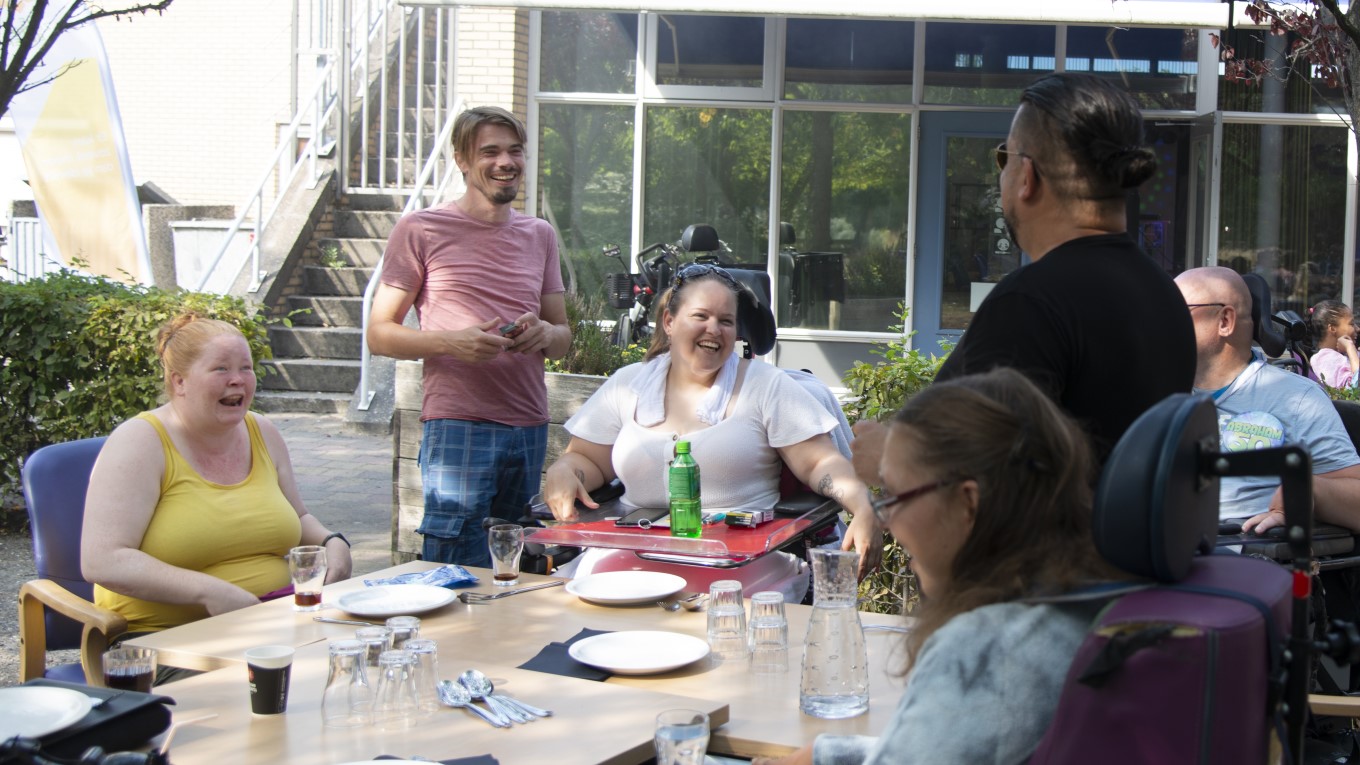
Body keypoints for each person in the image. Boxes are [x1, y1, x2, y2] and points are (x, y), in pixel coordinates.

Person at [756, 368, 1117, 765]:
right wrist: (825, 755)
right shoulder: (1082, 603)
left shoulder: (984, 650)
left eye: (895, 495)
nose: (887, 519)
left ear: (968, 503)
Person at [856, 73, 1196, 474]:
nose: (1001, 175)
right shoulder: (1165, 295)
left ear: (1027, 176)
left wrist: (888, 456)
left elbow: (985, 486)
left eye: (1004, 158)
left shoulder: (1029, 303)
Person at [542, 263, 882, 577]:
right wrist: (565, 470)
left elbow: (821, 463)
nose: (713, 329)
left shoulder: (766, 386)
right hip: (630, 558)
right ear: (669, 322)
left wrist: (862, 507)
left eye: (726, 321)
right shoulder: (627, 385)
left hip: (737, 563)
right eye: (700, 316)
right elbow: (586, 458)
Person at [367, 105, 572, 566]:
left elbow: (563, 337)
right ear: (462, 159)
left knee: (515, 563)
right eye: (490, 151)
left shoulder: (539, 234)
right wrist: (449, 342)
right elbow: (379, 334)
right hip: (460, 422)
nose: (506, 162)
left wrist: (543, 333)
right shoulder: (420, 229)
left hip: (529, 424)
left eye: (515, 151)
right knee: (451, 563)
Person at [82, 313, 353, 640]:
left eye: (246, 367)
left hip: (275, 624)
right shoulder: (139, 441)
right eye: (221, 368)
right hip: (166, 640)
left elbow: (298, 515)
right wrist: (209, 592)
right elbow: (102, 561)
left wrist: (331, 541)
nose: (238, 379)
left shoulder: (262, 431)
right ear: (179, 381)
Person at [1175, 267, 1360, 532]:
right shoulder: (1158, 393)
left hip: (1245, 554)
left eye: (1177, 308)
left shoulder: (1297, 399)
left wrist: (1309, 491)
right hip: (1155, 548)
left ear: (1225, 321)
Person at [1310, 299, 1359, 389]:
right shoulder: (1324, 360)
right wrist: (1350, 349)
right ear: (1332, 328)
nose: (1357, 329)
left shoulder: (1343, 355)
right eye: (1351, 324)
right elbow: (1355, 388)